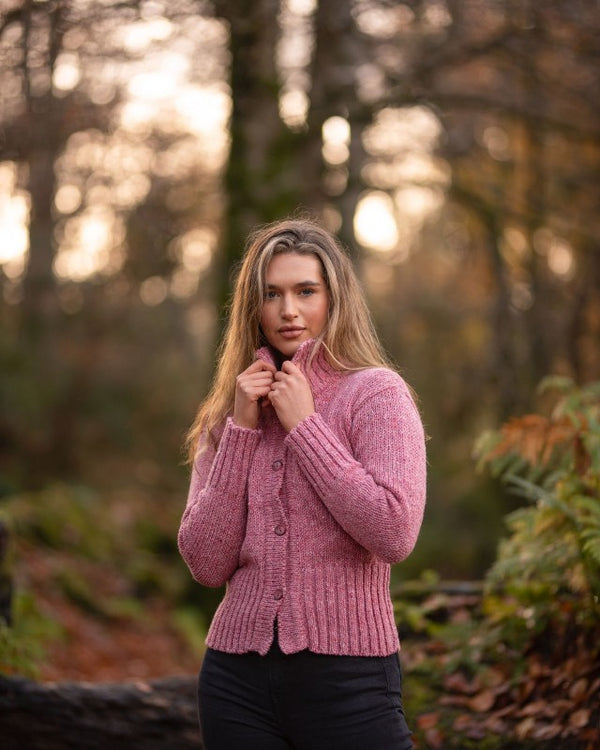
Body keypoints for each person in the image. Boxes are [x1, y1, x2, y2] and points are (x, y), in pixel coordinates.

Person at [178, 216, 427, 750]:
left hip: (349, 678)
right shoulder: (228, 415)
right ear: (254, 307)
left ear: (334, 299)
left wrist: (306, 427)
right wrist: (243, 428)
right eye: (272, 294)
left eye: (305, 291)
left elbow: (394, 532)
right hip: (234, 682)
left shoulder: (378, 395)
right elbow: (205, 562)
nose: (288, 310)